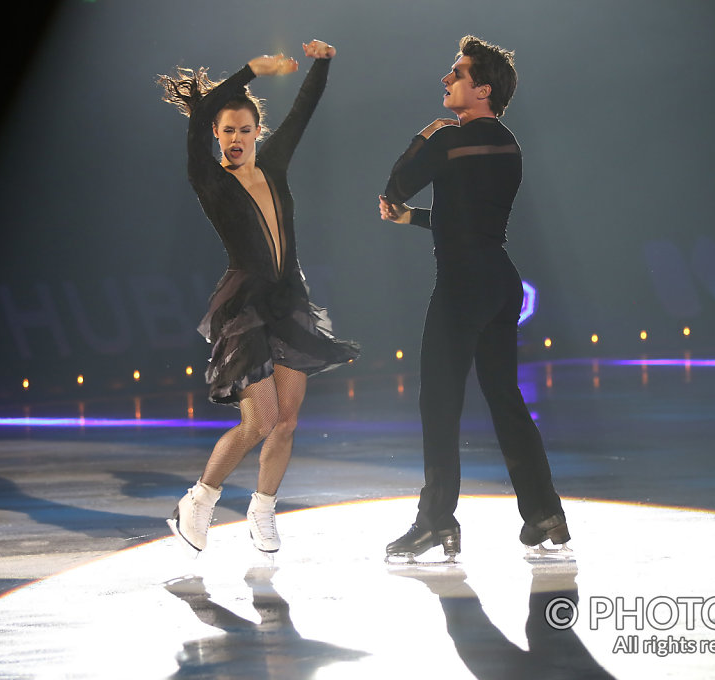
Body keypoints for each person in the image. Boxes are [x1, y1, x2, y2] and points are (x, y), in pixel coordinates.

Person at [158, 40, 359, 555]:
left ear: (256, 134)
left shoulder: (274, 166)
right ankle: (198, 502)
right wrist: (251, 70)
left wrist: (323, 63)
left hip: (289, 300)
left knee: (287, 420)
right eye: (227, 130)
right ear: (216, 135)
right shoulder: (210, 181)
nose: (236, 139)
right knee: (260, 420)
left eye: (245, 130)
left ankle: (264, 510)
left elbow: (303, 111)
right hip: (245, 306)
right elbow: (201, 108)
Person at [379, 35, 568, 560]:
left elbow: (395, 184)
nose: (447, 79)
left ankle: (435, 520)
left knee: (439, 403)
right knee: (506, 401)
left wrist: (427, 133)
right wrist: (414, 219)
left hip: (462, 286)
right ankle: (545, 514)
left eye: (456, 73)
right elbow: (470, 221)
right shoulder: (509, 145)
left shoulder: (447, 140)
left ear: (482, 89)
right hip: (499, 283)